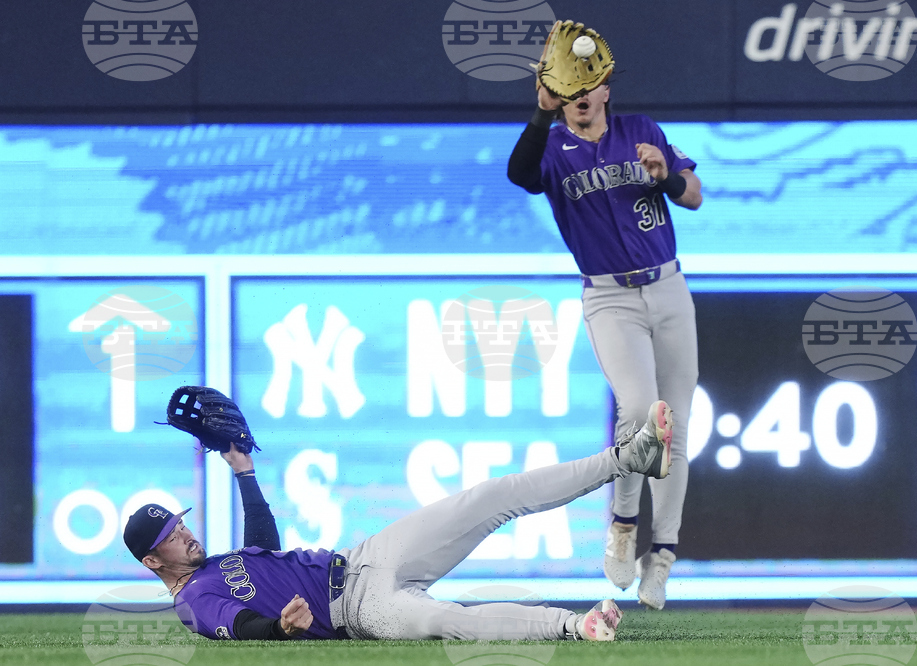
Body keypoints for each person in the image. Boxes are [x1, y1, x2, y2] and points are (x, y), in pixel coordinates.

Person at [123, 400, 673, 642]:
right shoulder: (194, 601)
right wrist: (278, 630)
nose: (185, 533)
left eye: (180, 522)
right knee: (446, 621)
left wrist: (243, 471)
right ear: (153, 561)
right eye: (171, 535)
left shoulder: (218, 561)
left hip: (366, 558)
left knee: (492, 495)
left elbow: (263, 547)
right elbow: (237, 628)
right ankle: (576, 628)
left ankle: (628, 457)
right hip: (359, 611)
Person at [507, 80, 703, 610]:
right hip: (610, 297)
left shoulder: (639, 130)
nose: (579, 95)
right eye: (568, 88)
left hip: (667, 285)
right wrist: (541, 113)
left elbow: (695, 194)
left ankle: (660, 556)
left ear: (606, 89)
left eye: (587, 85)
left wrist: (664, 178)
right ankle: (622, 521)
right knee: (641, 411)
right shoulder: (551, 146)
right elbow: (519, 175)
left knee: (676, 424)